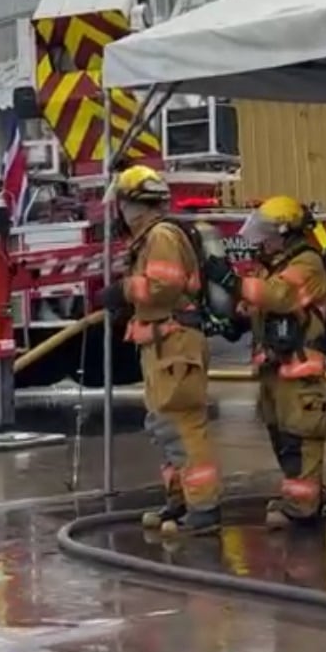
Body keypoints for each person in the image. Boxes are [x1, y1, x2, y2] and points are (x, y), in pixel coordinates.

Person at [100, 164, 223, 538]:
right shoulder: (149, 238)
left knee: (183, 425)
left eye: (121, 204)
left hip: (176, 344)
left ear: (135, 204)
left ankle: (203, 508)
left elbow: (163, 287)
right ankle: (181, 500)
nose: (119, 212)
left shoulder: (162, 236)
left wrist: (123, 291)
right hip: (161, 345)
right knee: (164, 427)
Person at [233, 196, 326, 530]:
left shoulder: (307, 263)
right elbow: (257, 306)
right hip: (275, 369)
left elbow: (279, 296)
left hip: (299, 368)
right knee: (281, 437)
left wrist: (235, 284)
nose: (260, 238)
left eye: (266, 231)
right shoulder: (274, 264)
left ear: (284, 231)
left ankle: (304, 507)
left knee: (300, 438)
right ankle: (300, 498)